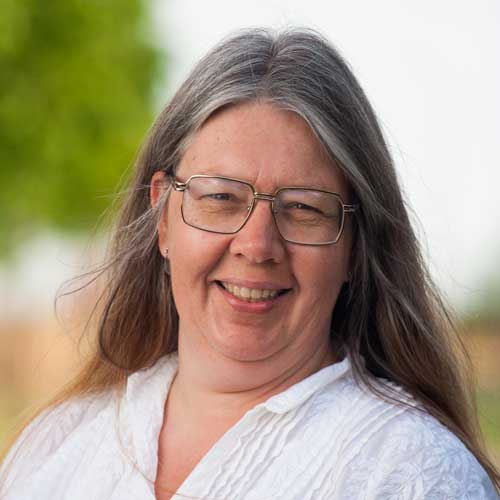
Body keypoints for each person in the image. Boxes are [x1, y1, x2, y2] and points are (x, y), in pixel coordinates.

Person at [0, 27, 499, 500]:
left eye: (303, 208)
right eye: (220, 197)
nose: (257, 245)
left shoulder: (414, 472)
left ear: (355, 247)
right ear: (163, 219)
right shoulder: (56, 447)